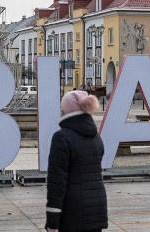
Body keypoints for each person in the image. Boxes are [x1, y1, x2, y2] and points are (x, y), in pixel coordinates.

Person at [45, 90, 108, 232]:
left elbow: (57, 183)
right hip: (97, 207)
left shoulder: (61, 137)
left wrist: (52, 222)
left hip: (72, 212)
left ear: (66, 110)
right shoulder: (96, 137)